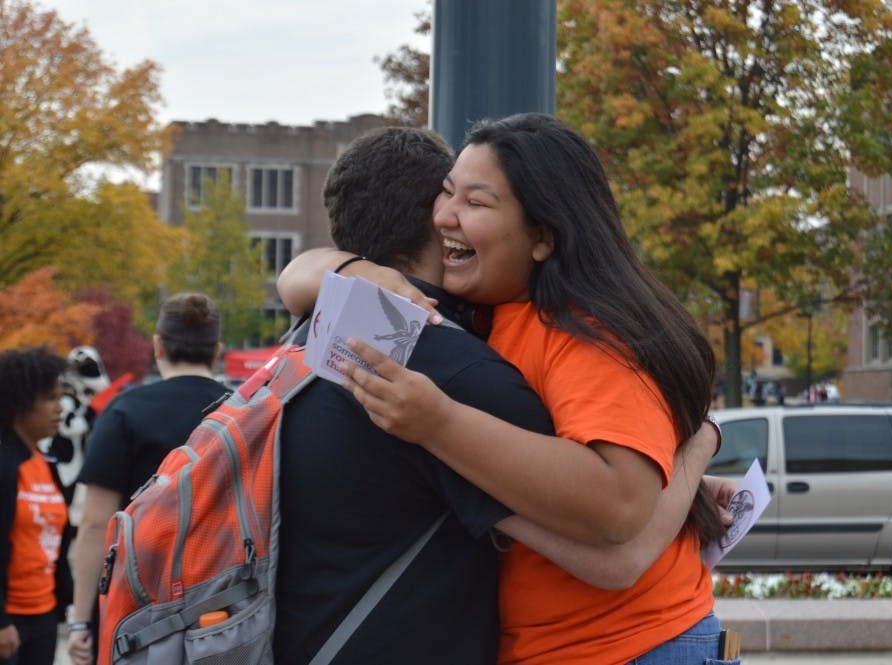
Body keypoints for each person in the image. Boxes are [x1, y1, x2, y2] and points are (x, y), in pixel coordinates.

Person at [280, 114, 734, 664]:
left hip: (630, 648)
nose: (444, 216)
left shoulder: (582, 331)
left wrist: (438, 423)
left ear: (543, 236)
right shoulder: (484, 321)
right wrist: (349, 269)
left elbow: (619, 520)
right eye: (446, 193)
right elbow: (294, 279)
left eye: (475, 202)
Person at [67, 293, 227, 665]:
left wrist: (80, 621)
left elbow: (95, 525)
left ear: (157, 347)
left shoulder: (125, 411)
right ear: (217, 351)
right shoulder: (245, 411)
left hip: (134, 607)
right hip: (222, 604)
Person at [0, 346, 73, 665]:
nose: (60, 407)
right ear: (20, 403)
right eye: (50, 398)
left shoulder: (46, 464)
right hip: (7, 619)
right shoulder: (5, 464)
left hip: (44, 615)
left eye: (60, 397)